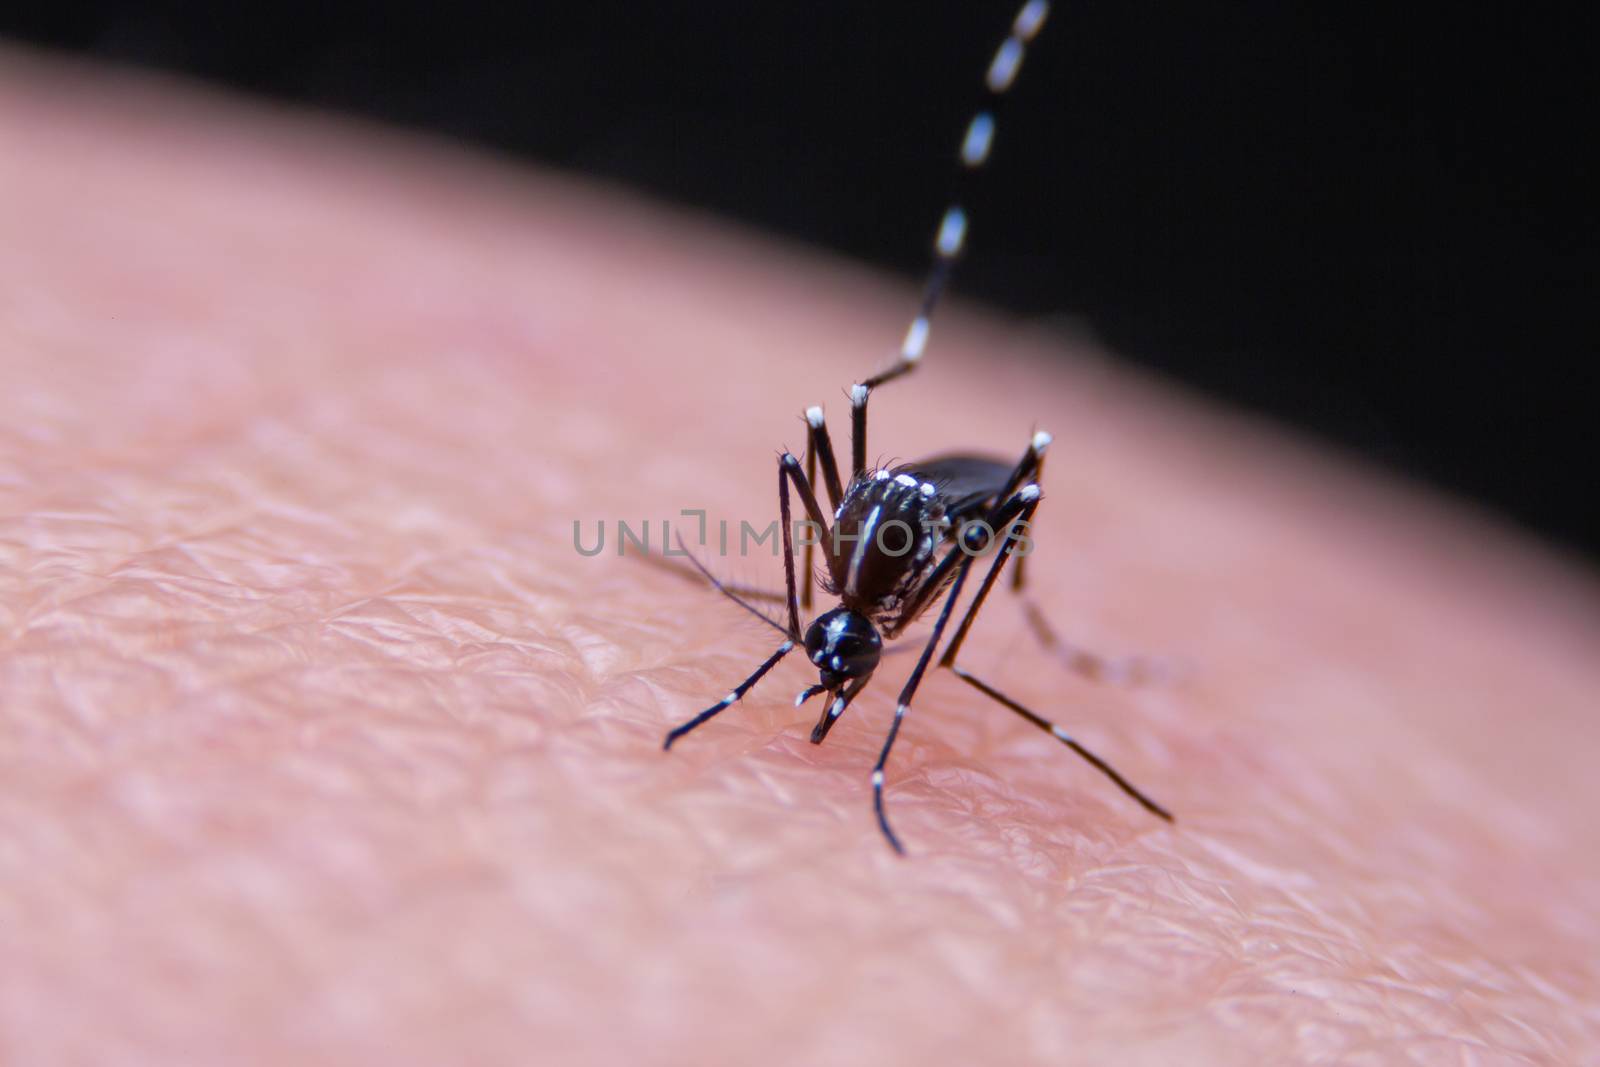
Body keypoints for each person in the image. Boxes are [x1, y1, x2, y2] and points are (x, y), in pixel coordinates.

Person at [1, 48, 1595, 1065]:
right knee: (822, 428)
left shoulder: (909, 580)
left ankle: (973, 674)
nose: (830, 680)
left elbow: (951, 530)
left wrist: (900, 711)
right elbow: (823, 497)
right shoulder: (835, 574)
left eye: (835, 669)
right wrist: (807, 635)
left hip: (956, 511)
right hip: (885, 526)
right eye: (833, 663)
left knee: (963, 474)